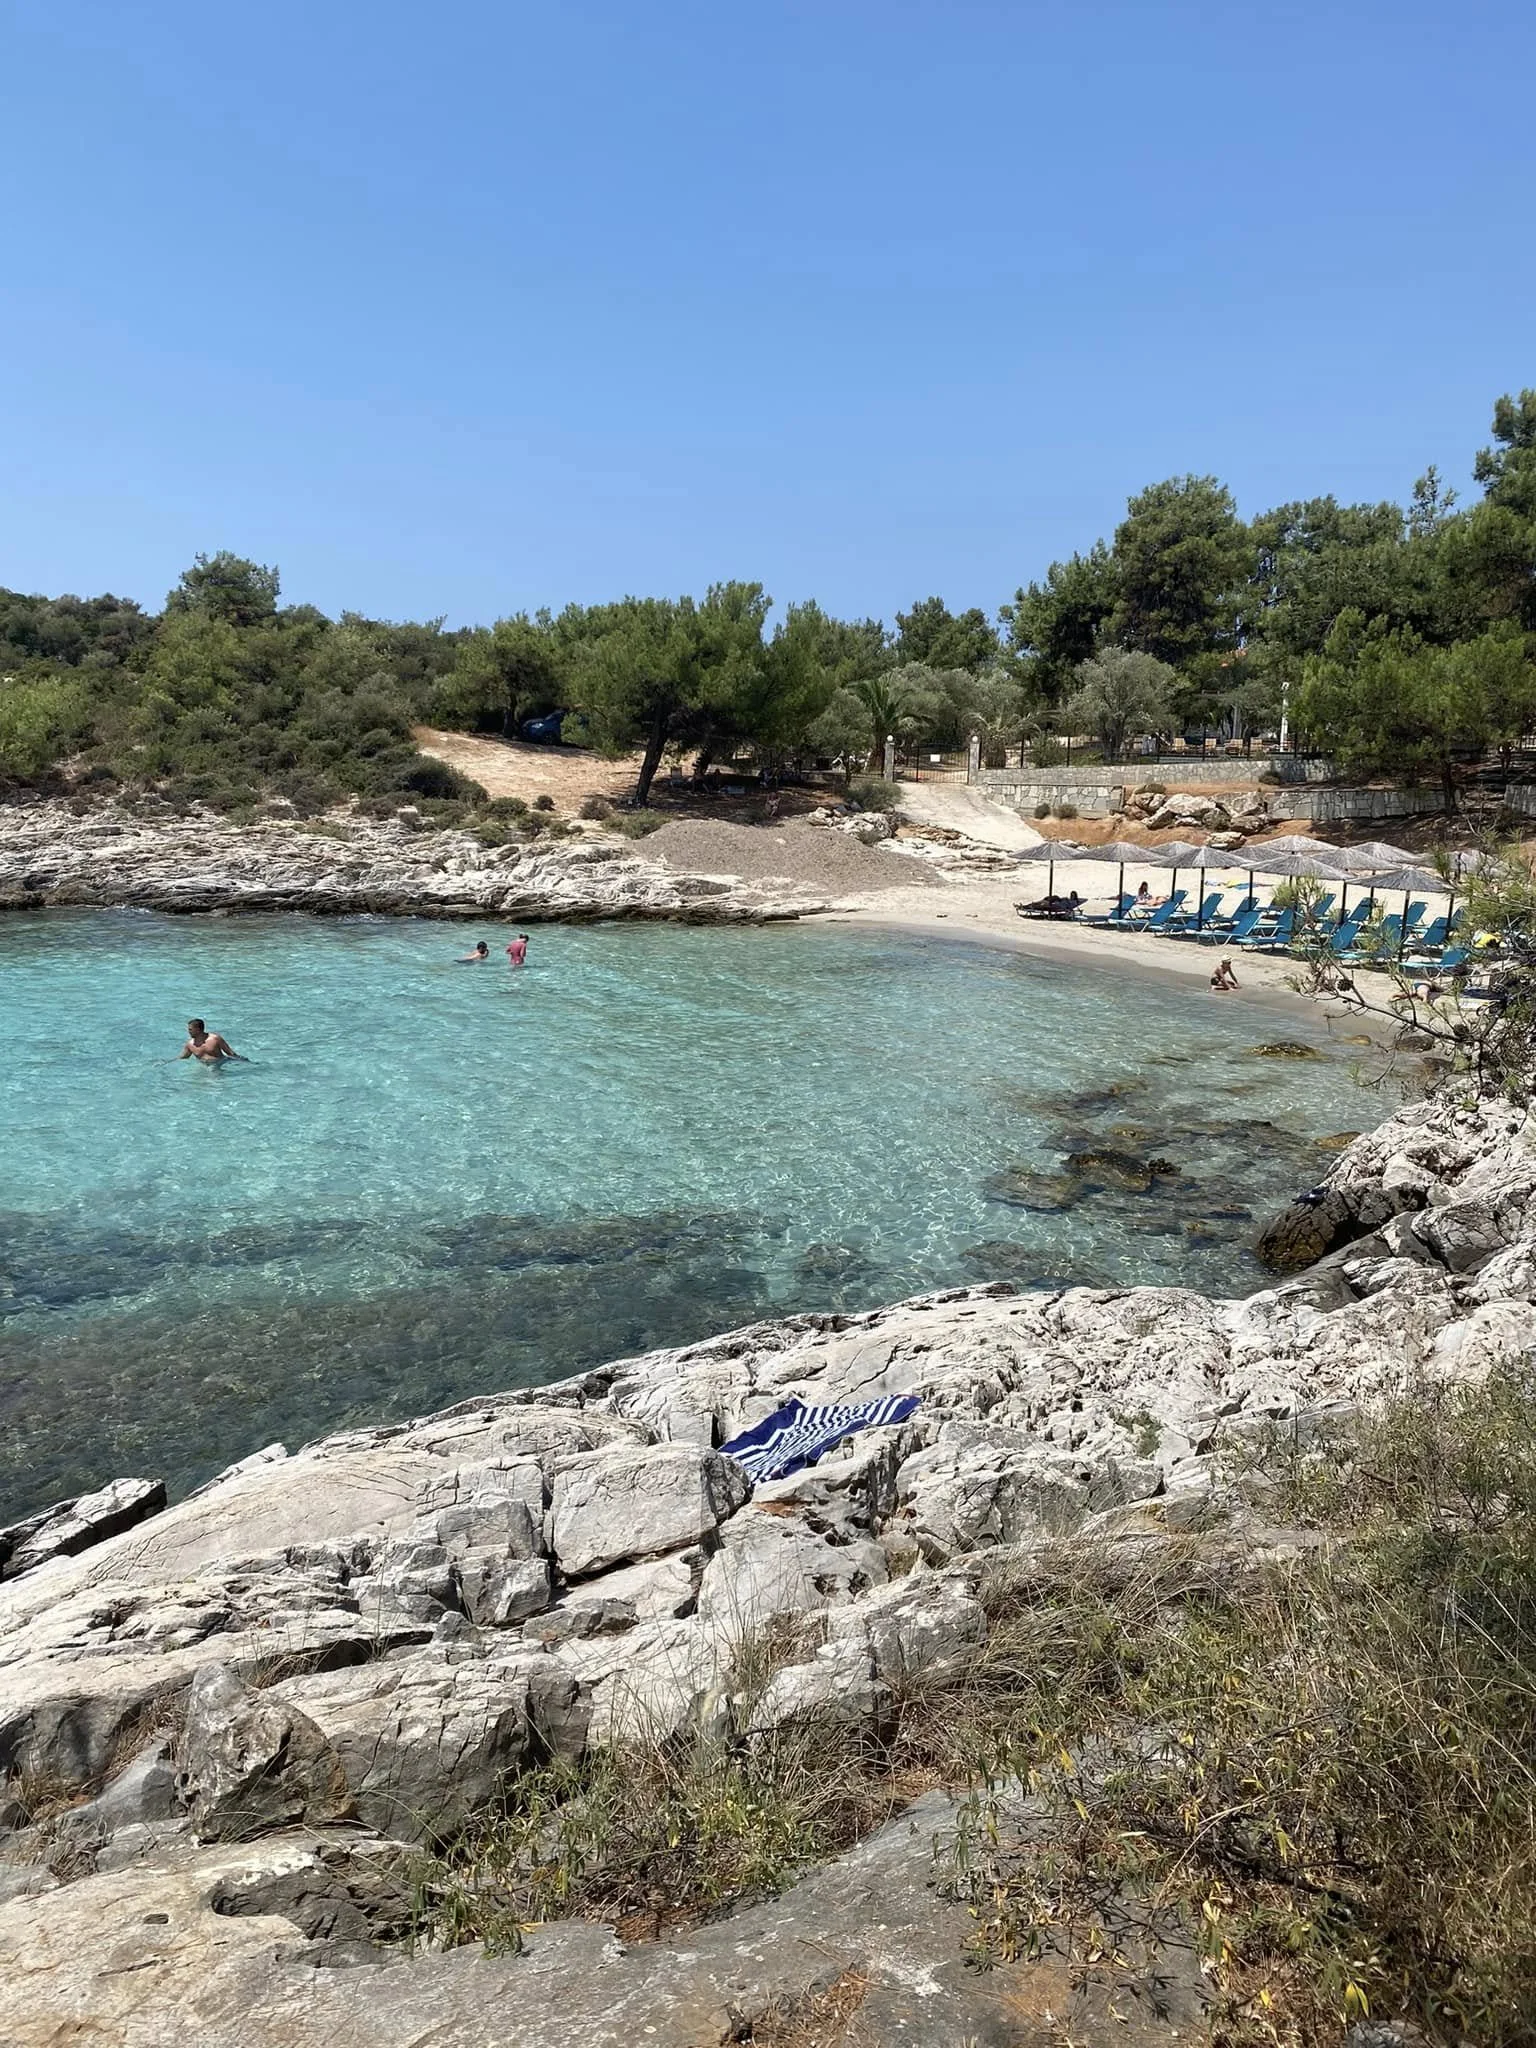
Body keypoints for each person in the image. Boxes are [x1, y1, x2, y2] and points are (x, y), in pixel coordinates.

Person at [178, 1018, 247, 1063]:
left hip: (220, 1063)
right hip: (204, 1066)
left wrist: (244, 1062)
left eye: (190, 1029)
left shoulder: (215, 1039)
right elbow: (184, 1057)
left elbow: (230, 1053)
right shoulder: (190, 1044)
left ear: (198, 1029)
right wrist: (169, 1062)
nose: (188, 1031)